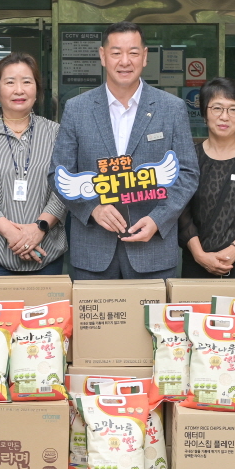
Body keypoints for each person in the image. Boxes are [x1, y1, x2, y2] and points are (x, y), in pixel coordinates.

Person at [50, 21, 199, 280]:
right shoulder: (77, 108)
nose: (125, 61)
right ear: (103, 56)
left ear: (145, 56)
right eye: (116, 52)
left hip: (152, 250)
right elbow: (58, 173)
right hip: (93, 251)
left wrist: (158, 219)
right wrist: (92, 209)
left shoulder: (171, 108)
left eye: (133, 52)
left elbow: (187, 173)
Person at [0, 52, 67, 275]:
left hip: (47, 251)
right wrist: (12, 234)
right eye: (10, 82)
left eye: (26, 82)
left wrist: (39, 228)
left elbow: (65, 186)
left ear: (37, 90)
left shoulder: (56, 133)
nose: (19, 90)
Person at [179, 77, 235, 280]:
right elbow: (181, 211)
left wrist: (233, 251)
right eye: (217, 108)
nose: (224, 117)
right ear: (204, 113)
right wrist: (199, 254)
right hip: (196, 262)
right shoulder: (189, 157)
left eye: (233, 109)